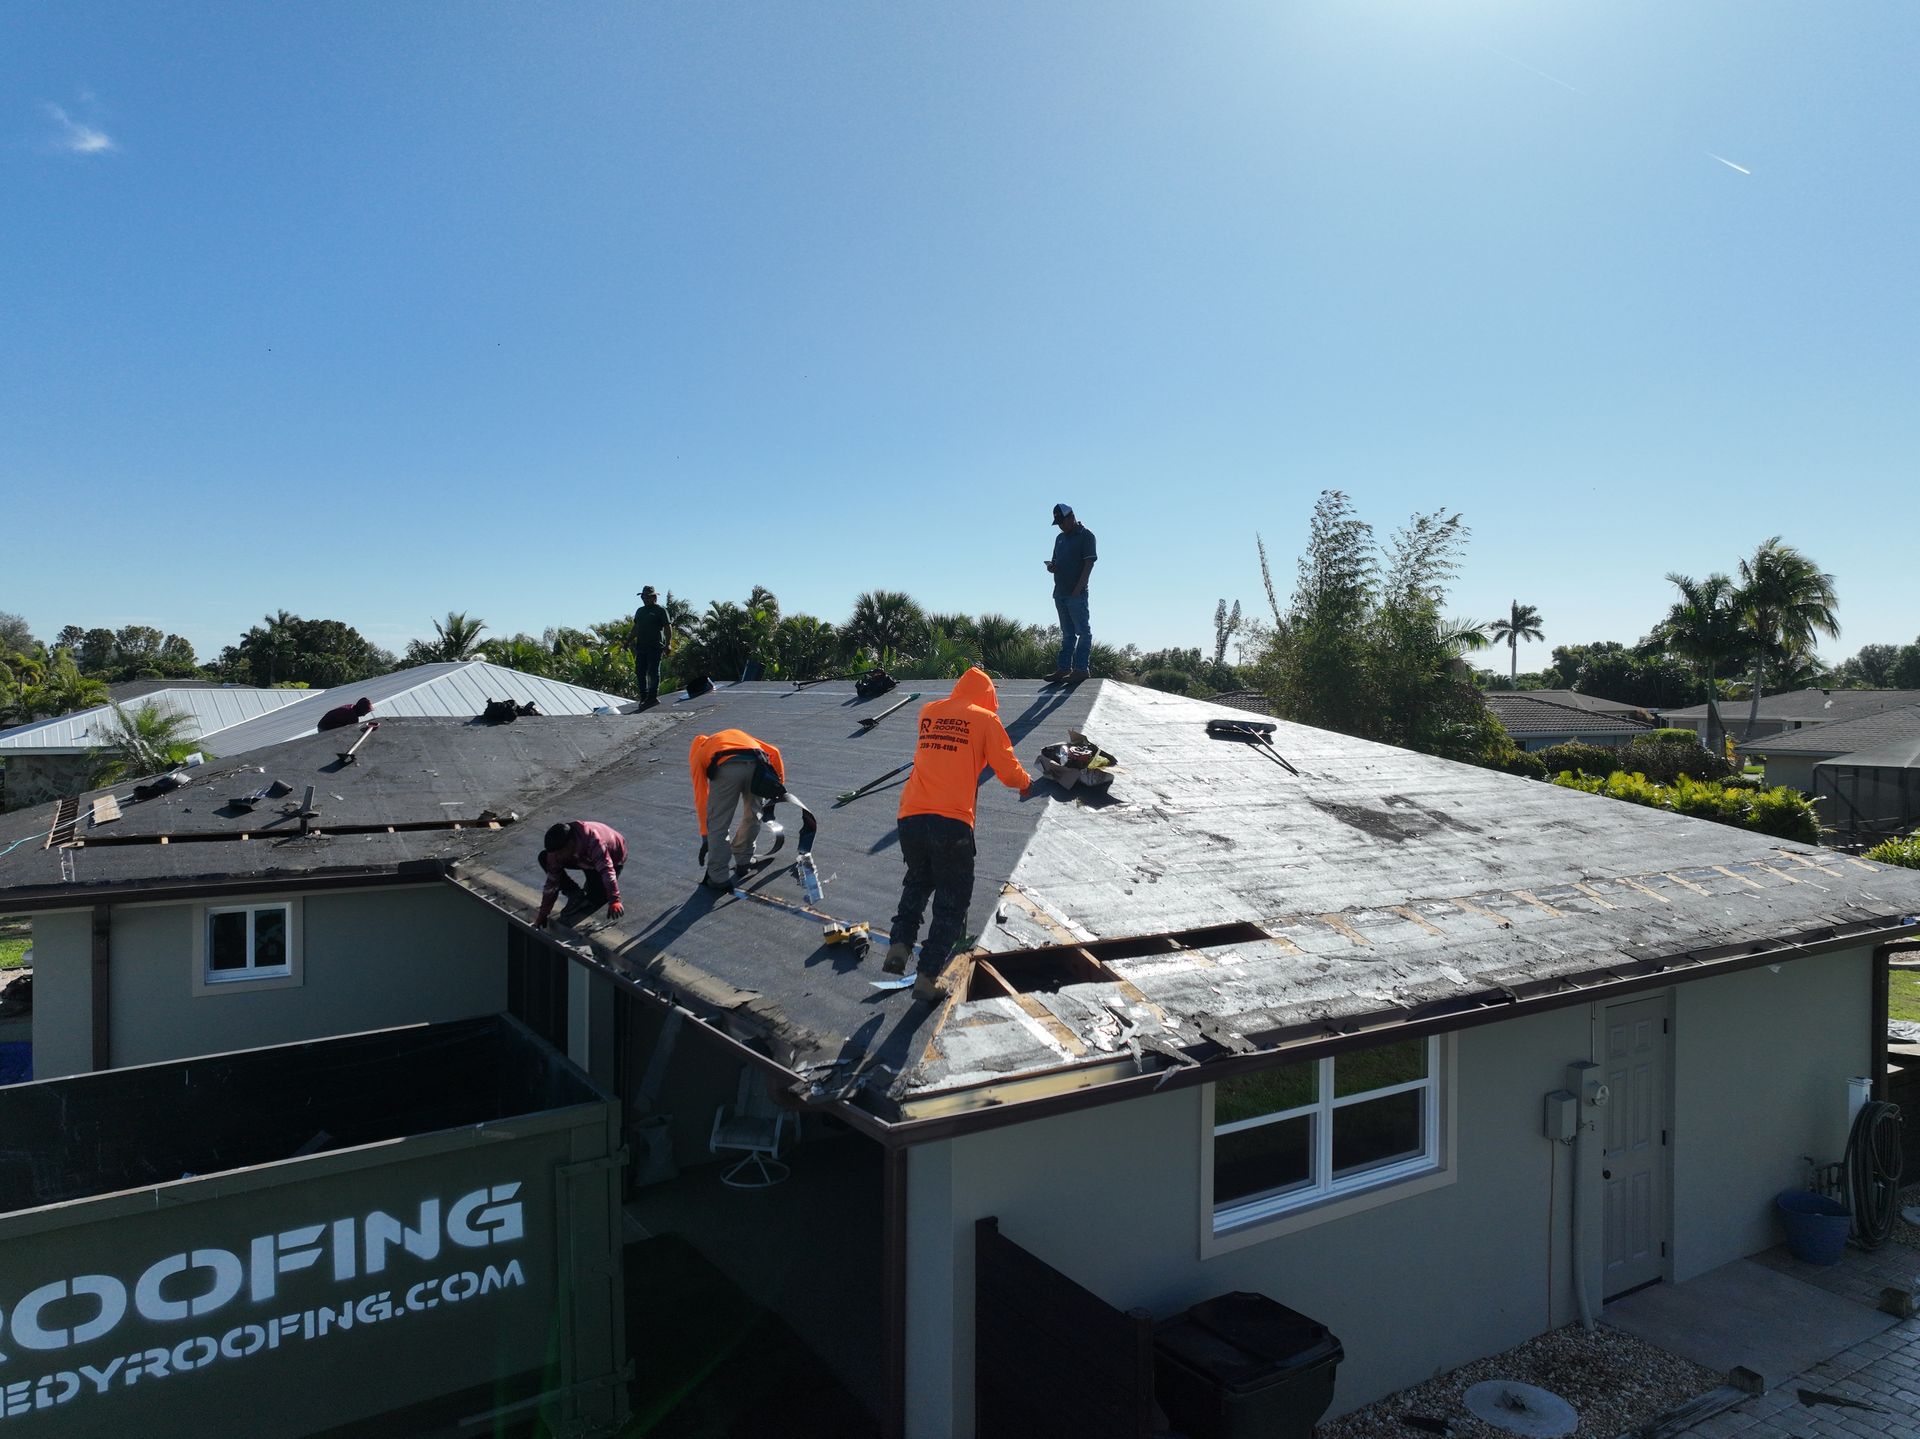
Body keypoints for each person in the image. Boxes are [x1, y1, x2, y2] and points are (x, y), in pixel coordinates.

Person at [886, 667, 1033, 1002]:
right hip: (951, 822)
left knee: (918, 882)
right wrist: (1026, 783)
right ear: (988, 697)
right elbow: (1008, 770)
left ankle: (900, 943)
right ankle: (927, 976)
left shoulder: (929, 712)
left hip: (910, 816)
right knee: (952, 902)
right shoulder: (985, 720)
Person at [689, 728, 786, 890]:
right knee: (753, 815)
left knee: (718, 822)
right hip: (757, 765)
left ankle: (719, 877)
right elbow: (774, 752)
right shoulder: (733, 735)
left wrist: (705, 833)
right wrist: (778, 786)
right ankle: (744, 861)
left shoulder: (699, 752)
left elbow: (701, 795)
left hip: (726, 768)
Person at [534, 821, 627, 927]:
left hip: (612, 857)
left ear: (569, 844)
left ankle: (593, 884)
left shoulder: (594, 842)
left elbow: (607, 871)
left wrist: (614, 900)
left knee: (598, 899)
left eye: (559, 853)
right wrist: (543, 913)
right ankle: (574, 894)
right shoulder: (557, 853)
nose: (557, 857)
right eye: (554, 854)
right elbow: (552, 883)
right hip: (582, 858)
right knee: (544, 858)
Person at [1043, 502, 1097, 682]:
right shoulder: (1059, 539)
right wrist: (1052, 567)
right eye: (1058, 523)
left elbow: (1089, 564)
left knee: (1083, 631)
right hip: (1060, 593)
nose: (1060, 526)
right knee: (1067, 633)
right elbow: (1055, 562)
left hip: (1076, 594)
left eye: (1062, 522)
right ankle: (1063, 669)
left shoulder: (1086, 536)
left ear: (1072, 517)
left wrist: (1078, 589)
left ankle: (1081, 669)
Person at [628, 586, 676, 708]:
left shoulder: (660, 610)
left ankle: (652, 697)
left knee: (653, 672)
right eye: (643, 596)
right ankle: (644, 697)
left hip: (655, 646)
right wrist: (627, 641)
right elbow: (636, 628)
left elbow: (667, 627)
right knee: (640, 672)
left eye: (648, 596)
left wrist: (668, 644)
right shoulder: (640, 611)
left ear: (654, 597)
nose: (645, 599)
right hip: (641, 646)